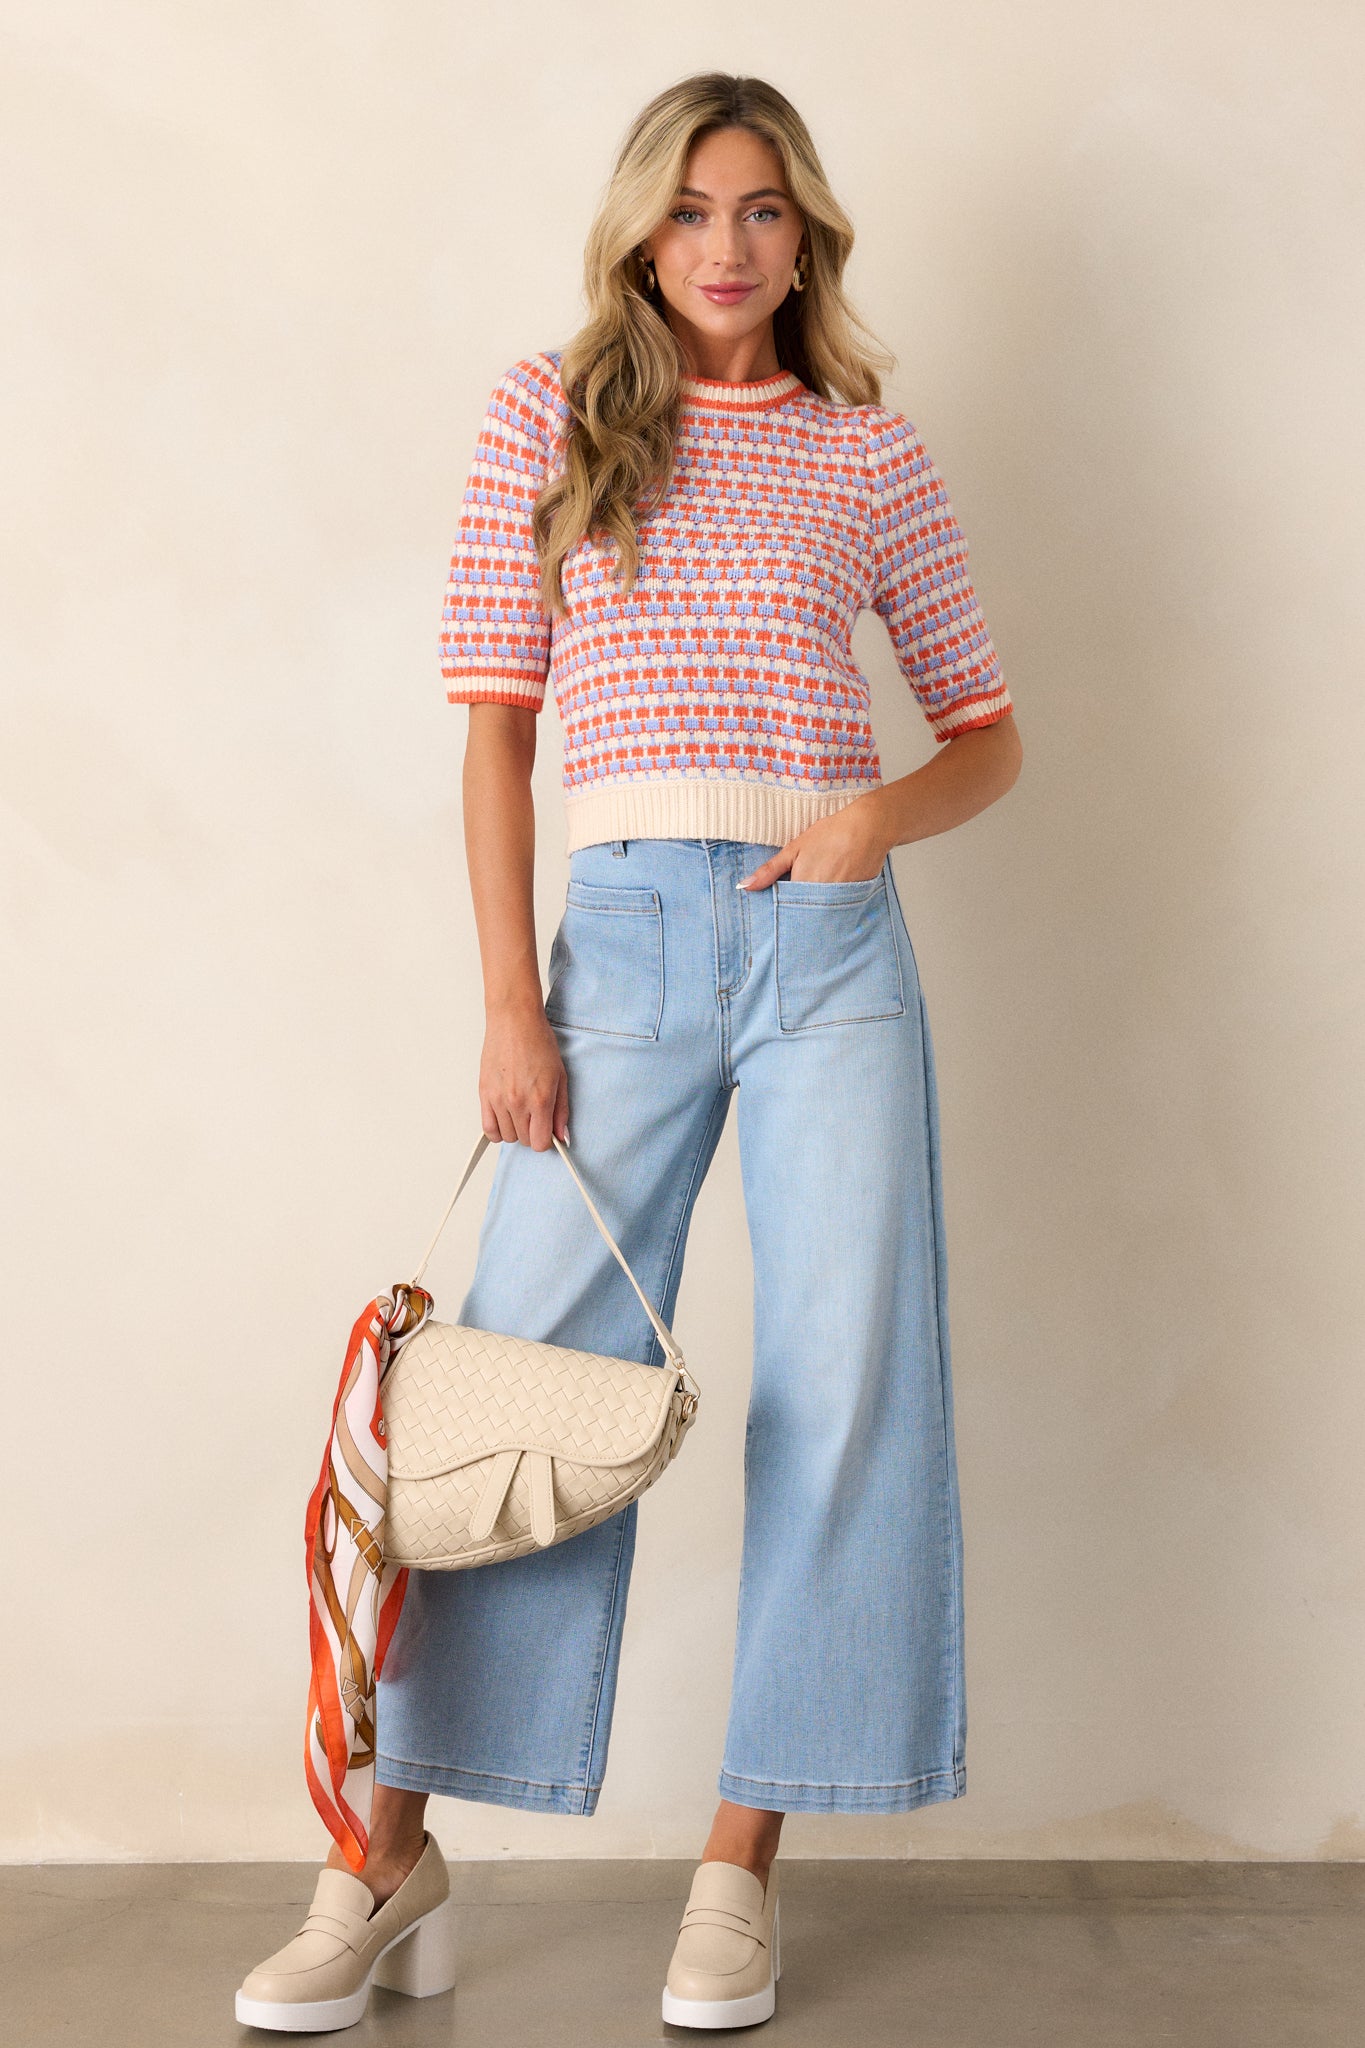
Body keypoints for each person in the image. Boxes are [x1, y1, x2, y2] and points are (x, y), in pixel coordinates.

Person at [236, 69, 1022, 2035]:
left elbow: (987, 735)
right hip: (624, 944)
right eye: (689, 213)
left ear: (804, 231)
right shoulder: (552, 415)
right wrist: (511, 1003)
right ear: (636, 235)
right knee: (516, 1389)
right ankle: (380, 1853)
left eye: (760, 212)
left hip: (828, 939)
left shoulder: (868, 453)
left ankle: (737, 1866)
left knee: (845, 1382)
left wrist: (865, 824)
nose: (726, 249)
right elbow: (495, 737)